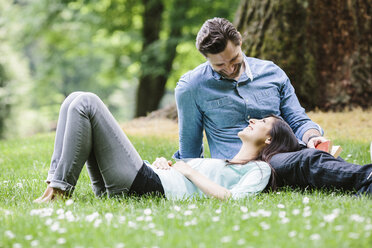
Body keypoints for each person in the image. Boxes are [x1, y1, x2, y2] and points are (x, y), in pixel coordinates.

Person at [174, 17, 372, 194]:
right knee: (308, 161)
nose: (230, 68)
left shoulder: (271, 73)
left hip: (289, 152)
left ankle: (365, 185)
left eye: (234, 59)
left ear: (240, 41)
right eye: (219, 66)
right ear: (206, 58)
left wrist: (312, 137)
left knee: (317, 161)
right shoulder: (191, 87)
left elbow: (297, 119)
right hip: (246, 167)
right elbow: (190, 151)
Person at [34, 92, 300, 203]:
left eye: (263, 121)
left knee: (87, 102)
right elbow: (187, 176)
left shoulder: (261, 170)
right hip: (148, 177)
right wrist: (168, 166)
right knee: (74, 99)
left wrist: (188, 171)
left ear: (269, 140)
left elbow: (235, 199)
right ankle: (55, 185)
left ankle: (59, 189)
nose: (253, 120)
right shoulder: (227, 161)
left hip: (146, 185)